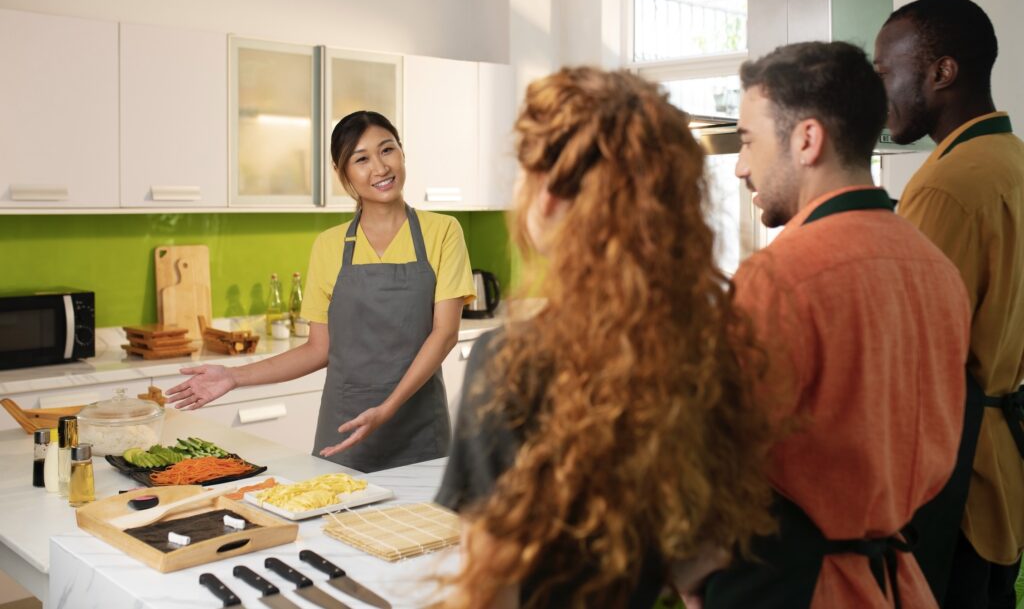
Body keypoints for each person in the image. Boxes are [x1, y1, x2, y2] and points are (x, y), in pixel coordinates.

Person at [434, 67, 779, 609]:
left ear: (547, 196)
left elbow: (489, 589)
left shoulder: (511, 362)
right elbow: (700, 566)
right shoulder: (706, 349)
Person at [697, 41, 971, 609]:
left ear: (807, 139)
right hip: (898, 584)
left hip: (791, 588)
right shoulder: (937, 269)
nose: (741, 166)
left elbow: (712, 471)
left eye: (748, 141)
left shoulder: (777, 278)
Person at [167, 111, 475, 472]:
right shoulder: (329, 246)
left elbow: (445, 333)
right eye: (361, 159)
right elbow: (318, 349)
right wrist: (236, 377)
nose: (379, 167)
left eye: (387, 150)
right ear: (343, 173)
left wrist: (387, 409)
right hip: (343, 431)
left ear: (402, 153)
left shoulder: (442, 231)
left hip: (420, 432)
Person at [875, 0, 1024, 609]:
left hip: (953, 483)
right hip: (1004, 471)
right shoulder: (1012, 162)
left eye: (886, 71)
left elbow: (913, 358)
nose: (878, 90)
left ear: (942, 72)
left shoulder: (943, 184)